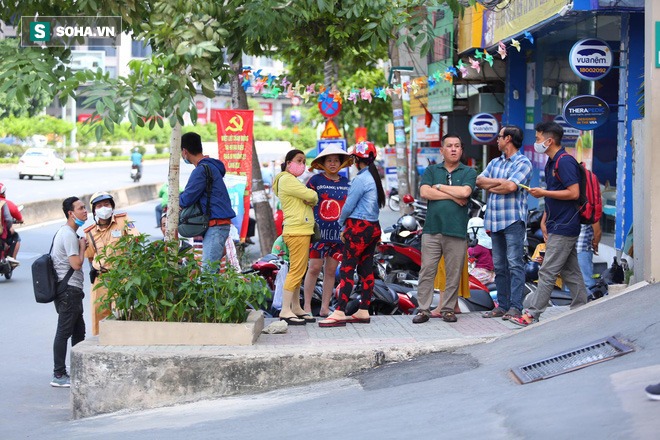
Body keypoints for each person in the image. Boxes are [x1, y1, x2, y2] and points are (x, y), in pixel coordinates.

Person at [510, 121, 588, 327]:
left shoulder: (564, 162)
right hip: (557, 224)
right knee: (570, 271)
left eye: (537, 139)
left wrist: (543, 193)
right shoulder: (552, 162)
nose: (536, 142)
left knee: (547, 271)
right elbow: (556, 195)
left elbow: (573, 193)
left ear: (549, 140)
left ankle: (532, 313)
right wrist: (545, 218)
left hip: (565, 225)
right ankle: (583, 308)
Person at [318, 141, 385, 327]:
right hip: (372, 227)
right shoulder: (373, 178)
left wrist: (341, 225)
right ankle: (364, 309)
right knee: (365, 269)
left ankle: (339, 311)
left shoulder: (360, 179)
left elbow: (348, 206)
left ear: (356, 159)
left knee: (347, 268)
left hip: (358, 227)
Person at [412, 133, 477, 324]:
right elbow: (425, 192)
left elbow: (465, 192)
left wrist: (439, 187)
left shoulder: (468, 172)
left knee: (453, 272)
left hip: (456, 230)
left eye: (457, 146)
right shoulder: (432, 170)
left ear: (461, 149)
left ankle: (448, 309)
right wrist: (453, 196)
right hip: (432, 229)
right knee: (427, 271)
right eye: (449, 146)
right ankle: (423, 309)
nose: (454, 149)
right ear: (442, 150)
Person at [476, 125, 533, 320]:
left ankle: (515, 307)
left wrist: (494, 185)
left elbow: (510, 186)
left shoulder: (523, 163)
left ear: (508, 139)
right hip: (494, 220)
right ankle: (502, 306)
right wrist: (501, 184)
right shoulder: (494, 162)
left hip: (513, 220)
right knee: (499, 266)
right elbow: (479, 181)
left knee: (515, 264)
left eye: (499, 137)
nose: (497, 140)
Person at [302, 145, 351, 317]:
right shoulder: (315, 181)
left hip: (339, 235)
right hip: (318, 234)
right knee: (314, 268)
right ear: (323, 163)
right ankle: (306, 306)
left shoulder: (347, 183)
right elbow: (305, 201)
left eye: (336, 160)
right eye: (329, 160)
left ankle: (324, 308)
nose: (332, 163)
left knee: (331, 271)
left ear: (341, 163)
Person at [272, 149, 319, 325]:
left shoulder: (290, 180)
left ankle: (296, 307)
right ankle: (285, 310)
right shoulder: (287, 179)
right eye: (298, 160)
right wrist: (311, 198)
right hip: (297, 230)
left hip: (299, 229)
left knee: (298, 270)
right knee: (297, 271)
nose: (302, 164)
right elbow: (312, 195)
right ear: (288, 161)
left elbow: (310, 197)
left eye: (304, 161)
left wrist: (310, 198)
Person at [84, 191, 140, 336]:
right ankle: (99, 342)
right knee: (99, 313)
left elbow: (136, 240)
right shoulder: (89, 232)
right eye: (99, 205)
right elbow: (90, 256)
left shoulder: (124, 220)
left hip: (122, 276)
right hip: (100, 278)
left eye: (107, 204)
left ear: (112, 206)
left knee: (123, 311)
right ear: (94, 210)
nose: (104, 208)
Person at [179, 132, 236, 270]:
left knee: (207, 274)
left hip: (216, 225)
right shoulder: (210, 166)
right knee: (210, 271)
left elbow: (186, 199)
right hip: (218, 225)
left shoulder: (201, 170)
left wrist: (176, 200)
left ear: (184, 151)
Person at [50, 197, 88, 387]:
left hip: (71, 291)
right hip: (69, 291)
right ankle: (58, 374)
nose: (85, 211)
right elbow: (76, 264)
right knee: (64, 332)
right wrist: (82, 247)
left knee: (78, 332)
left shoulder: (67, 232)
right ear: (71, 213)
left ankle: (77, 370)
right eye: (81, 208)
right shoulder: (68, 235)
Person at [466, 217, 495, 285]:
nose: (470, 235)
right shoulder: (489, 242)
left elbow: (467, 254)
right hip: (490, 273)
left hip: (481, 273)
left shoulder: (479, 245)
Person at [0, 182, 22, 265]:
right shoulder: (5, 203)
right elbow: (9, 219)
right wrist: (9, 227)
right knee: (16, 237)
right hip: (2, 232)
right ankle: (11, 258)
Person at [577, 222, 601, 293]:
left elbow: (597, 232)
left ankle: (592, 300)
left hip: (583, 249)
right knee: (571, 279)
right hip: (570, 250)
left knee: (587, 279)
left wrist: (595, 244)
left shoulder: (590, 212)